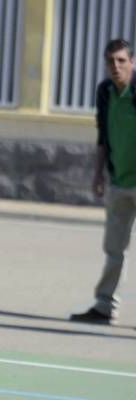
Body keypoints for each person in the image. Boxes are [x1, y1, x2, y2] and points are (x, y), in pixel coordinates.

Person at [70, 39, 136, 325]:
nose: (116, 66)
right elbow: (102, 135)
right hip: (119, 180)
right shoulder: (105, 91)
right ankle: (105, 306)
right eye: (110, 61)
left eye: (121, 60)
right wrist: (98, 173)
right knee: (114, 250)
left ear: (133, 62)